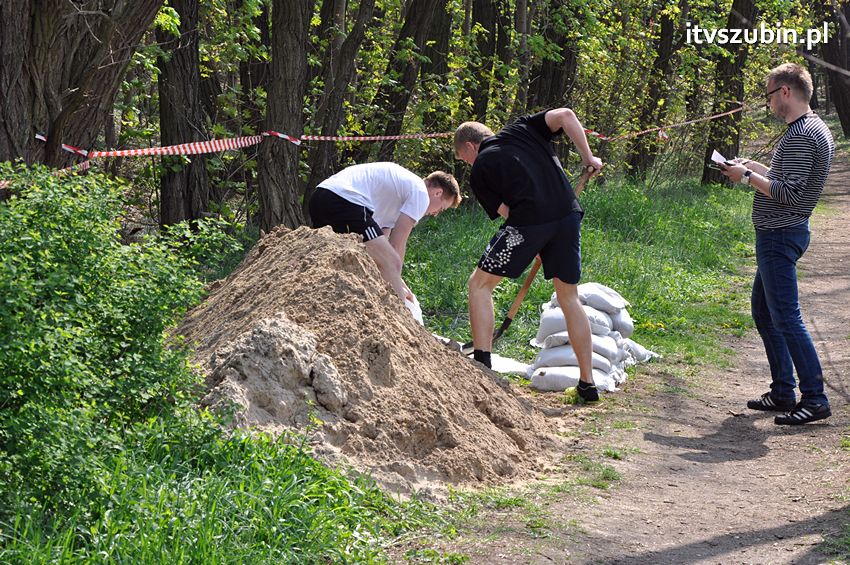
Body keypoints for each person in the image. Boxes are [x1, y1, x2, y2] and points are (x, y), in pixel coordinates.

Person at [454, 109, 603, 401]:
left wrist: (534, 239)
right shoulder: (523, 128)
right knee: (568, 297)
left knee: (479, 285)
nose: (468, 162)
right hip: (567, 216)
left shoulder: (481, 167)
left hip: (528, 222)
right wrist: (589, 158)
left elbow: (508, 214)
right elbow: (567, 115)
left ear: (471, 147)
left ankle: (482, 363)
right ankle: (587, 383)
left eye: (464, 157)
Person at [720, 62, 835, 425]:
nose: (768, 102)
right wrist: (755, 167)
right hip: (781, 233)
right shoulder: (807, 128)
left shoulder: (802, 134)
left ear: (785, 91)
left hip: (780, 235)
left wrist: (747, 176)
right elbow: (786, 180)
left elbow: (789, 194)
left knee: (786, 317)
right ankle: (784, 391)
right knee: (765, 312)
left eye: (769, 94)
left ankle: (814, 397)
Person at [309, 162, 460, 306]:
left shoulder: (398, 195)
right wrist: (398, 290)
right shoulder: (420, 193)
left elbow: (382, 248)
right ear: (437, 193)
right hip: (344, 199)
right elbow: (396, 246)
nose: (435, 214)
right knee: (393, 261)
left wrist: (398, 282)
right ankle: (401, 319)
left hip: (320, 197)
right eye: (441, 209)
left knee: (352, 261)